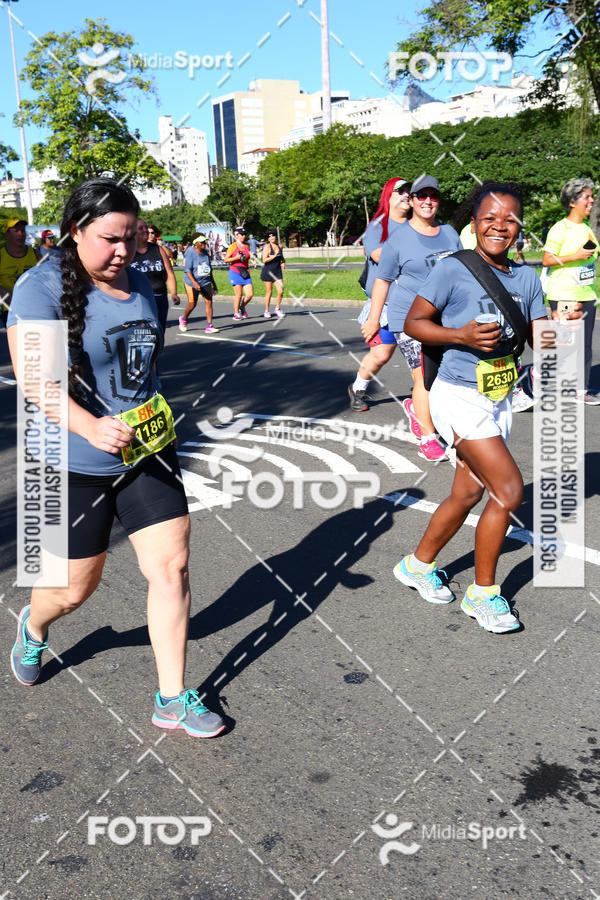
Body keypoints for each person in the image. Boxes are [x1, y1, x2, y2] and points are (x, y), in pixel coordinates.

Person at [7, 177, 224, 738]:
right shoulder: (40, 286)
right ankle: (33, 627)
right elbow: (35, 377)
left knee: (171, 567)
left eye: (134, 238)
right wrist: (88, 425)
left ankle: (172, 696)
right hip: (65, 459)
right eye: (110, 239)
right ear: (75, 231)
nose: (124, 251)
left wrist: (154, 413)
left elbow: (146, 361)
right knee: (74, 589)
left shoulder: (143, 279)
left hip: (147, 451)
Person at [396, 183, 553, 633]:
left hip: (499, 397)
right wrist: (460, 336)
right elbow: (415, 323)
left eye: (509, 219)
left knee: (467, 493)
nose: (498, 226)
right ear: (474, 224)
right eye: (489, 218)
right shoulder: (453, 270)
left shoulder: (526, 278)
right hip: (458, 396)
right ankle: (483, 594)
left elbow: (539, 338)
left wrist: (560, 329)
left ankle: (417, 565)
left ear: (520, 227)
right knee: (508, 491)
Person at [361, 175, 462, 461]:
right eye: (421, 196)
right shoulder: (398, 239)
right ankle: (428, 438)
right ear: (413, 201)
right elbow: (382, 280)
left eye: (433, 196)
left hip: (445, 315)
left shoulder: (449, 233)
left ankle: (422, 412)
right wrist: (373, 319)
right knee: (424, 377)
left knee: (448, 374)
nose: (427, 201)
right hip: (409, 318)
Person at [349, 178, 412, 412]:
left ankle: (426, 403)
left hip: (416, 306)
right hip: (384, 305)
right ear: (389, 195)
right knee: (381, 354)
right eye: (401, 191)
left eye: (409, 191)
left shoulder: (419, 225)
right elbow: (380, 256)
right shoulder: (378, 226)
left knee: (425, 357)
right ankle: (358, 388)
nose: (407, 195)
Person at [542, 177, 599, 404]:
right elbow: (546, 259)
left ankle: (580, 391)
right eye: (587, 197)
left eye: (591, 196)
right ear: (573, 202)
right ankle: (540, 383)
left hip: (587, 295)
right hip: (564, 295)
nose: (591, 200)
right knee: (565, 343)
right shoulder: (560, 228)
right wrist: (575, 256)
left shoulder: (587, 228)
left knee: (584, 345)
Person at [129, 218, 179, 336]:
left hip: (160, 297)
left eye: (146, 227)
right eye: (141, 228)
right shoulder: (129, 252)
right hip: (140, 300)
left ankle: (157, 353)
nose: (145, 230)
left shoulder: (158, 249)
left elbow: (169, 272)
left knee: (159, 332)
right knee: (144, 333)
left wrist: (174, 293)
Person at [0, 218, 40, 326]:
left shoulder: (36, 253)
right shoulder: (1, 256)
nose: (21, 234)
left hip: (35, 308)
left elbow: (47, 278)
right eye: (16, 231)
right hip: (10, 310)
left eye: (23, 231)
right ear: (7, 235)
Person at [180, 233, 219, 333]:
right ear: (196, 243)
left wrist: (213, 284)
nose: (204, 243)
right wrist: (194, 283)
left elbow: (209, 269)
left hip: (205, 281)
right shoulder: (190, 252)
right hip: (191, 282)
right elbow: (187, 270)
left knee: (209, 302)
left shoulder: (206, 252)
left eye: (204, 241)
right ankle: (183, 319)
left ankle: (209, 326)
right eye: (201, 242)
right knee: (192, 304)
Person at [225, 226, 253, 321]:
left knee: (250, 294)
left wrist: (252, 260)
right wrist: (236, 258)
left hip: (245, 271)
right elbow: (226, 259)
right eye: (242, 234)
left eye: (245, 234)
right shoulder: (233, 246)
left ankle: (242, 306)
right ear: (236, 235)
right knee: (239, 294)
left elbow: (248, 256)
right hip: (235, 271)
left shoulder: (247, 245)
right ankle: (236, 313)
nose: (243, 236)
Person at [260, 229, 286, 318]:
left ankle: (277, 309)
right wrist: (274, 255)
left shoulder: (279, 246)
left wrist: (283, 262)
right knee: (269, 292)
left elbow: (281, 257)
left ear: (275, 236)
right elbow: (264, 260)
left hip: (277, 271)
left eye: (273, 236)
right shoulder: (267, 247)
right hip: (268, 272)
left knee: (281, 290)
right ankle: (266, 310)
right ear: (268, 239)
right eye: (269, 236)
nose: (272, 238)